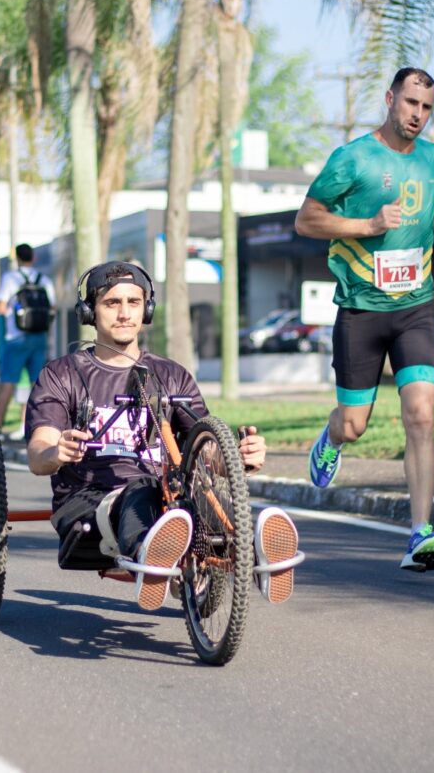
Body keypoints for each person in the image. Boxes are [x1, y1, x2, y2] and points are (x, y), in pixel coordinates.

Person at [26, 261, 301, 611]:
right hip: (91, 500)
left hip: (168, 498)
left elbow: (203, 450)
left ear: (147, 309)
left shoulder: (172, 376)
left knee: (198, 495)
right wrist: (56, 451)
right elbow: (38, 453)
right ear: (89, 312)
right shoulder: (62, 374)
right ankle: (151, 556)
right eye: (112, 303)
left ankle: (254, 546)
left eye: (134, 302)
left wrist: (239, 456)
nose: (125, 313)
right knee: (142, 488)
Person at [294, 67, 434, 573]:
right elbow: (306, 219)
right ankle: (331, 439)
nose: (417, 115)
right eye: (410, 103)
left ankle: (420, 533)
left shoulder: (433, 157)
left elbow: (433, 213)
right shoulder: (352, 158)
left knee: (420, 413)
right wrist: (366, 225)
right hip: (361, 309)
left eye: (426, 108)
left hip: (415, 305)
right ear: (391, 98)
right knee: (355, 425)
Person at [0, 244, 56, 440]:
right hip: (39, 338)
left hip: (16, 339)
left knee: (7, 384)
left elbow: (1, 307)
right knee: (37, 385)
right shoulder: (44, 280)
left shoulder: (10, 278)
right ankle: (39, 429)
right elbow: (52, 309)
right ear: (34, 258)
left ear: (17, 258)